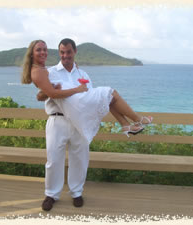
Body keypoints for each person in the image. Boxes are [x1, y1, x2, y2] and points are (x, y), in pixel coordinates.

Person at [21, 38, 153, 211]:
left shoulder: (83, 75)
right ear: (59, 53)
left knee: (80, 159)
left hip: (79, 122)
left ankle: (76, 192)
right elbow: (42, 95)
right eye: (62, 52)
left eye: (68, 52)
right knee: (53, 160)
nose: (65, 55)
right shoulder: (50, 71)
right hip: (57, 120)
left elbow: (90, 100)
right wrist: (50, 93)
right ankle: (51, 194)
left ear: (75, 52)